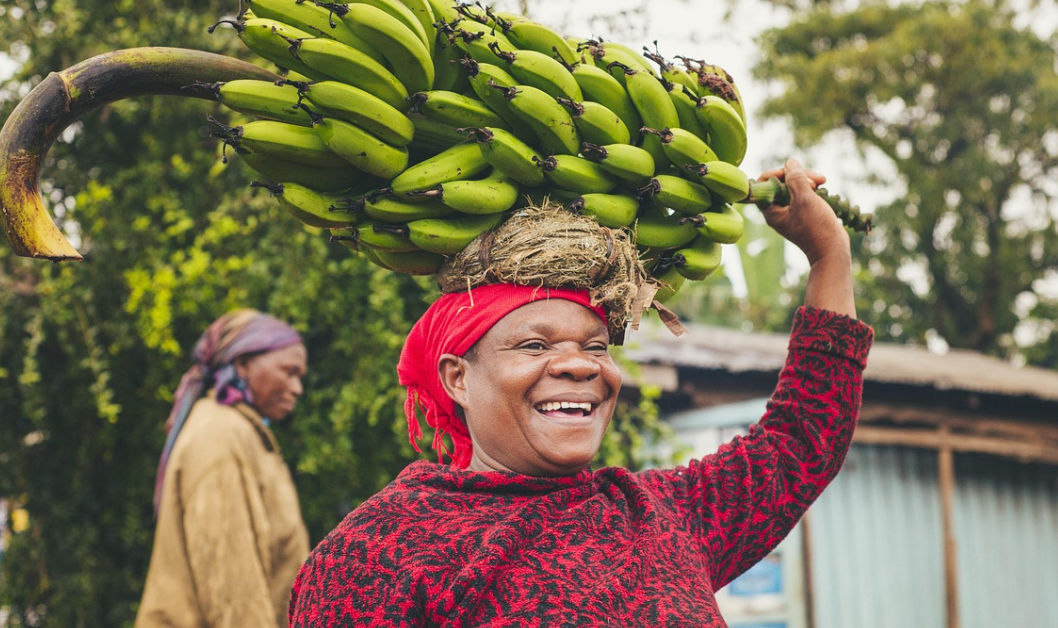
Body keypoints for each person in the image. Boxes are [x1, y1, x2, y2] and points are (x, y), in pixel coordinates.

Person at [288, 158, 872, 627]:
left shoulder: (661, 515)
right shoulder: (378, 553)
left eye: (596, 347)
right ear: (457, 379)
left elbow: (802, 439)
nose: (578, 366)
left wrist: (828, 255)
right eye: (534, 347)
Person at [137, 309, 310, 628]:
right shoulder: (219, 435)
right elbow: (233, 587)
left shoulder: (242, 432)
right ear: (242, 363)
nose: (297, 388)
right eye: (288, 372)